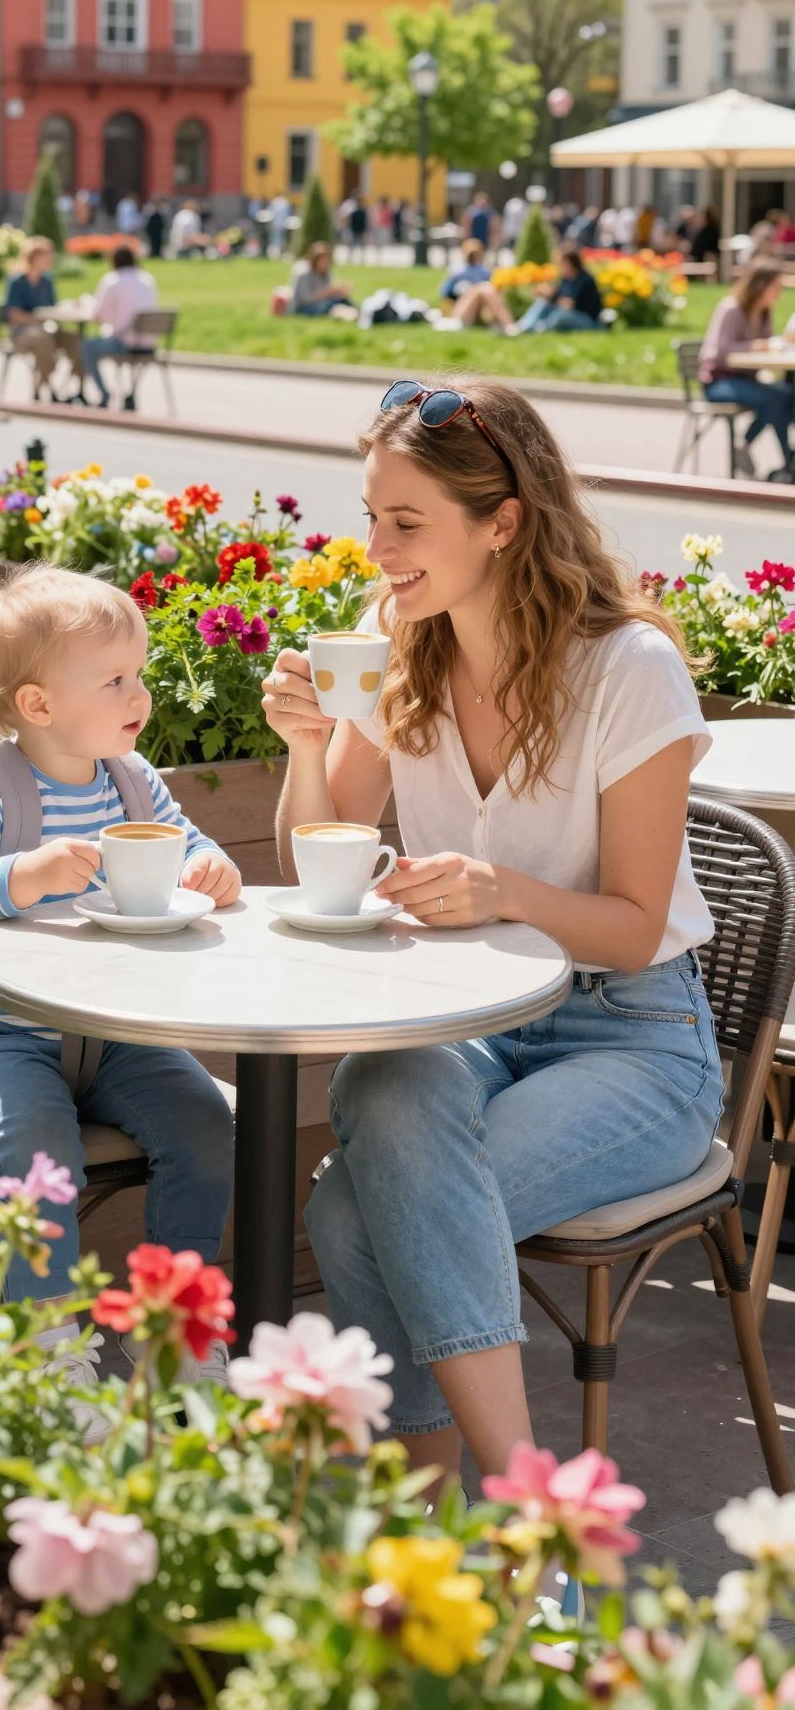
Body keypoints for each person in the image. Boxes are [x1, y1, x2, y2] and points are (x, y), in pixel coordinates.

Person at [263, 375, 723, 1494]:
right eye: (371, 515)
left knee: (353, 1206)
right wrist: (306, 744)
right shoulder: (399, 641)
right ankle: (489, 1524)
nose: (375, 547)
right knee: (381, 1096)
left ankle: (489, 1513)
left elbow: (630, 926)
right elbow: (316, 853)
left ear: (503, 521)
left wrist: (503, 889)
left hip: (632, 1036)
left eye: (406, 521)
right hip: (473, 1015)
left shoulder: (628, 670)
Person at [0, 566, 239, 1388]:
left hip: (112, 1037)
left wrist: (213, 868)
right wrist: (26, 873)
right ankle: (45, 1359)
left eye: (139, 675)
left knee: (205, 1125)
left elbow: (193, 844)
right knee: (36, 1150)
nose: (139, 695)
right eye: (114, 680)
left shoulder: (134, 781)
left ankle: (174, 1332)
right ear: (38, 707)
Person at [700, 259, 794, 481]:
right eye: (776, 288)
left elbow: (767, 345)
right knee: (776, 399)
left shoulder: (763, 312)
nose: (778, 294)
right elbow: (721, 352)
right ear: (760, 285)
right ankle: (781, 456)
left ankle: (780, 458)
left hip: (747, 378)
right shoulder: (731, 308)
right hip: (719, 382)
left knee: (788, 394)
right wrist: (757, 346)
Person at [80, 245, 159, 407]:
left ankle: (104, 393)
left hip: (124, 343)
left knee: (86, 347)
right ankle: (129, 394)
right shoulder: (147, 279)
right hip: (149, 343)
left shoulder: (112, 281)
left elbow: (98, 315)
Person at [2, 235, 67, 401]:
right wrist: (36, 320)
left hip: (44, 328)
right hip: (22, 332)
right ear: (33, 258)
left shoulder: (47, 281)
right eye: (46, 256)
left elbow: (53, 308)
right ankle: (46, 387)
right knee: (44, 339)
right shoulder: (17, 281)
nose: (49, 260)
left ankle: (68, 387)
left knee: (74, 341)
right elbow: (13, 314)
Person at [510, 246, 604, 334]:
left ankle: (537, 330)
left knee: (560, 316)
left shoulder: (585, 280)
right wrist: (546, 294)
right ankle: (521, 327)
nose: (560, 267)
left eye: (562, 263)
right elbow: (558, 298)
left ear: (571, 263)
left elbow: (568, 305)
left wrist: (552, 296)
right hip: (569, 314)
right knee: (542, 303)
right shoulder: (566, 279)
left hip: (588, 321)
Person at [438, 240, 513, 331]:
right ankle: (508, 324)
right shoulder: (457, 271)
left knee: (484, 289)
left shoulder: (485, 272)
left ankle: (507, 325)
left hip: (481, 312)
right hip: (461, 311)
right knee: (481, 288)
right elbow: (445, 294)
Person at [289, 242, 357, 318]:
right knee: (329, 305)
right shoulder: (303, 273)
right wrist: (327, 293)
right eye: (322, 261)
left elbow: (331, 290)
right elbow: (305, 299)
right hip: (303, 308)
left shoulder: (325, 272)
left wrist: (339, 291)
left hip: (321, 303)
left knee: (341, 300)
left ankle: (358, 312)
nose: (325, 263)